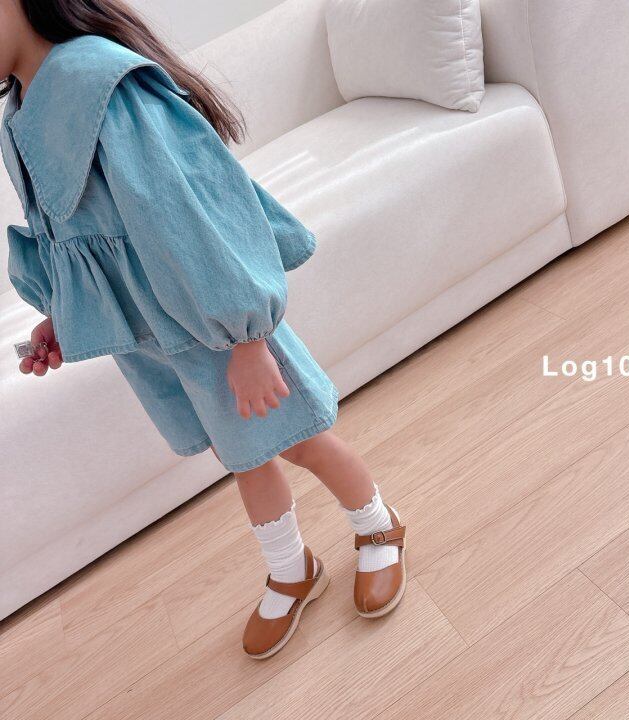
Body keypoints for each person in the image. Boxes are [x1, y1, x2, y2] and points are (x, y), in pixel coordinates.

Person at [0, 0, 406, 659]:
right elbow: (70, 237)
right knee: (240, 454)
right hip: (151, 333)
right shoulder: (19, 112)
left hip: (209, 316)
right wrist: (62, 314)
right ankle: (291, 568)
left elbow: (192, 211)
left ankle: (379, 526)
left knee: (300, 437)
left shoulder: (98, 83)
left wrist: (247, 337)